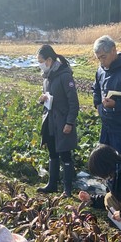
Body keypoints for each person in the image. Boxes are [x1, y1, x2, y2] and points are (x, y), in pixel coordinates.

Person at [36, 44, 79, 196]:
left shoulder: (65, 76)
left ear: (49, 59)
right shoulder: (47, 78)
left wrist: (69, 122)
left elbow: (74, 103)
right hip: (50, 122)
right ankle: (52, 184)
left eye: (41, 61)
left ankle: (67, 189)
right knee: (53, 153)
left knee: (65, 155)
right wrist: (42, 99)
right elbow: (48, 98)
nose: (40, 64)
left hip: (63, 122)